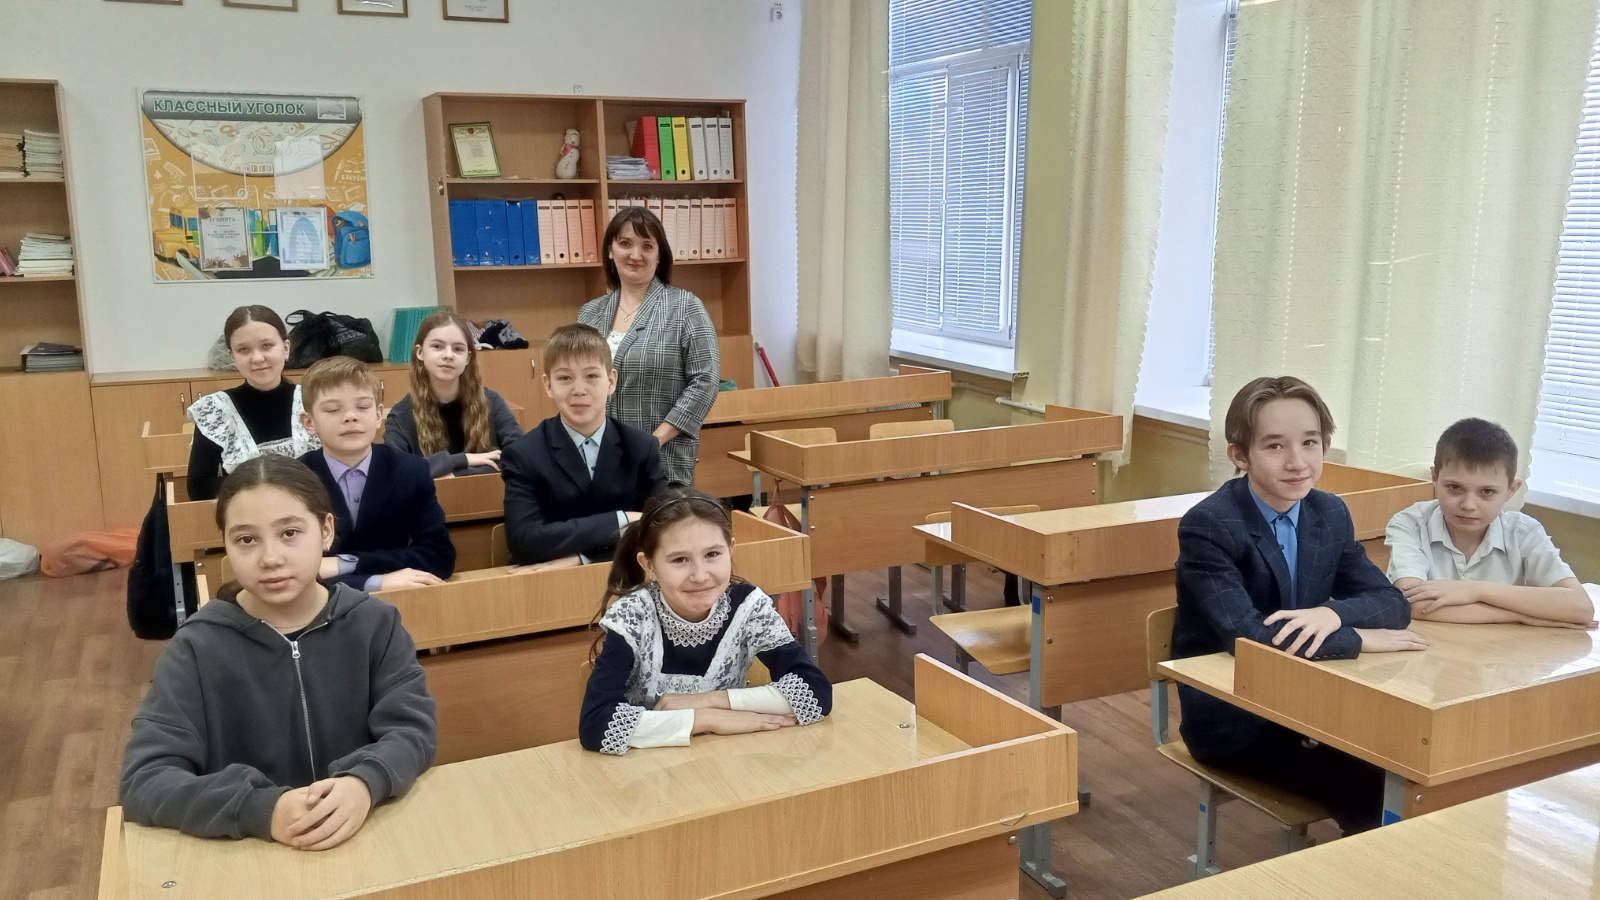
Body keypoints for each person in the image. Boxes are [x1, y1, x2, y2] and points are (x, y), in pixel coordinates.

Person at [119, 454, 436, 847]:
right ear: (226, 544)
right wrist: (261, 809)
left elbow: (412, 730)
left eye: (289, 533)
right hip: (251, 854)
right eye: (246, 539)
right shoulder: (196, 649)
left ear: (326, 531)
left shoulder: (376, 624)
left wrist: (365, 782)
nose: (270, 558)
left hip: (365, 840)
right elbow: (145, 779)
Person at [1172, 375, 1424, 835]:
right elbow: (1249, 637)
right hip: (1235, 714)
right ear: (1239, 455)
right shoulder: (1209, 525)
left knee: (1411, 763)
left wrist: (1332, 613)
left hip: (1310, 698)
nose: (1297, 462)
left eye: (1310, 442)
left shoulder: (1329, 512)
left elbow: (1391, 602)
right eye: (1274, 446)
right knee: (1372, 787)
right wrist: (1357, 639)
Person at [578, 488, 831, 755]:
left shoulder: (748, 607)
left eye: (712, 555)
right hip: (647, 767)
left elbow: (816, 691)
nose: (700, 576)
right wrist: (706, 718)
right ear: (649, 565)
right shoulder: (633, 615)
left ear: (730, 550)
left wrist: (710, 700)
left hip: (725, 758)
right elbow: (595, 725)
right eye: (680, 560)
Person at [1387, 417, 1593, 628]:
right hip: (1431, 645)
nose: (1468, 505)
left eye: (1487, 491)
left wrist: (1475, 590)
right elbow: (1413, 605)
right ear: (1435, 478)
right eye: (1455, 488)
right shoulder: (1410, 523)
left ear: (1511, 490)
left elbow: (1581, 608)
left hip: (1505, 647)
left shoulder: (1524, 532)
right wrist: (1523, 616)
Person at [501, 324, 668, 567]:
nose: (579, 390)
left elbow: (665, 529)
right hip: (550, 582)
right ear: (548, 385)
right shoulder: (523, 454)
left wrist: (583, 558)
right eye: (565, 378)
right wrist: (620, 521)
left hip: (626, 575)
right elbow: (524, 540)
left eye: (591, 376)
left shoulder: (642, 447)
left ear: (611, 381)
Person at [576, 207, 719, 486]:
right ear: (610, 251)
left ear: (659, 255)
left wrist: (654, 441)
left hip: (662, 460)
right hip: (599, 461)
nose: (635, 255)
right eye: (625, 243)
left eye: (647, 246)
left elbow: (705, 382)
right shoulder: (589, 313)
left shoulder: (685, 307)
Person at [296, 356, 455, 591]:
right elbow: (293, 568)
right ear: (309, 422)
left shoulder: (411, 470)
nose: (351, 416)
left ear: (379, 415)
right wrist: (377, 581)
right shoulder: (294, 480)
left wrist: (346, 563)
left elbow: (439, 556)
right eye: (333, 409)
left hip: (399, 600)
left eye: (362, 407)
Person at [186, 305, 319, 501]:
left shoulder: (314, 400)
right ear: (232, 356)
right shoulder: (214, 411)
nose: (257, 358)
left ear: (286, 348)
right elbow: (199, 488)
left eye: (267, 346)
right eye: (244, 350)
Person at [384, 310, 523, 478]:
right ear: (420, 352)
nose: (448, 355)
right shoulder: (399, 417)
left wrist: (454, 475)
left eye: (458, 349)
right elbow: (396, 473)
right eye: (437, 346)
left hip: (488, 494)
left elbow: (522, 457)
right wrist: (462, 459)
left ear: (468, 358)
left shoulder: (493, 402)